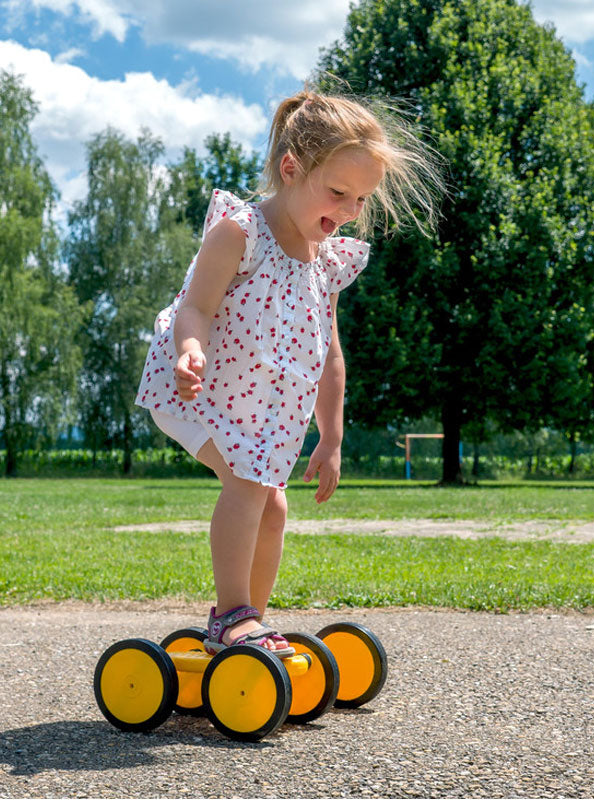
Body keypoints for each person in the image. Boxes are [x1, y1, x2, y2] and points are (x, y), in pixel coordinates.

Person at [135, 90, 443, 656]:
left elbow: (329, 355)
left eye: (361, 199)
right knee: (252, 487)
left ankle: (249, 626)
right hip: (195, 393)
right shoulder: (239, 233)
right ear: (291, 168)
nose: (350, 209)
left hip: (253, 415)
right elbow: (195, 307)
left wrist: (331, 437)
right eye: (338, 192)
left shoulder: (325, 264)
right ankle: (232, 616)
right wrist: (189, 350)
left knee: (274, 502)